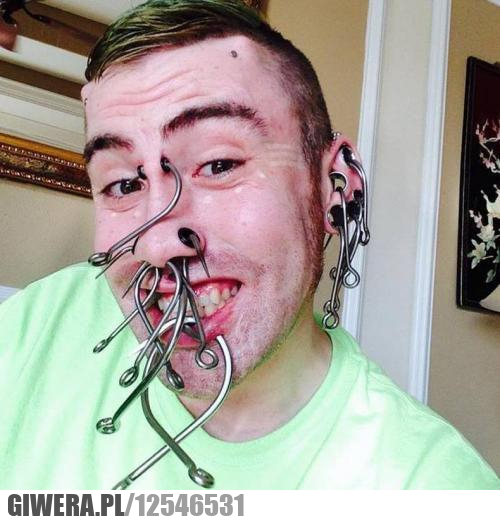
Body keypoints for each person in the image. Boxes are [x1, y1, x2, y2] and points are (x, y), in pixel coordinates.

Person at [0, 0, 498, 490]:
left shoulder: (433, 488)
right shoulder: (32, 326)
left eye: (219, 164)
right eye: (124, 184)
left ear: (337, 189)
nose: (156, 244)